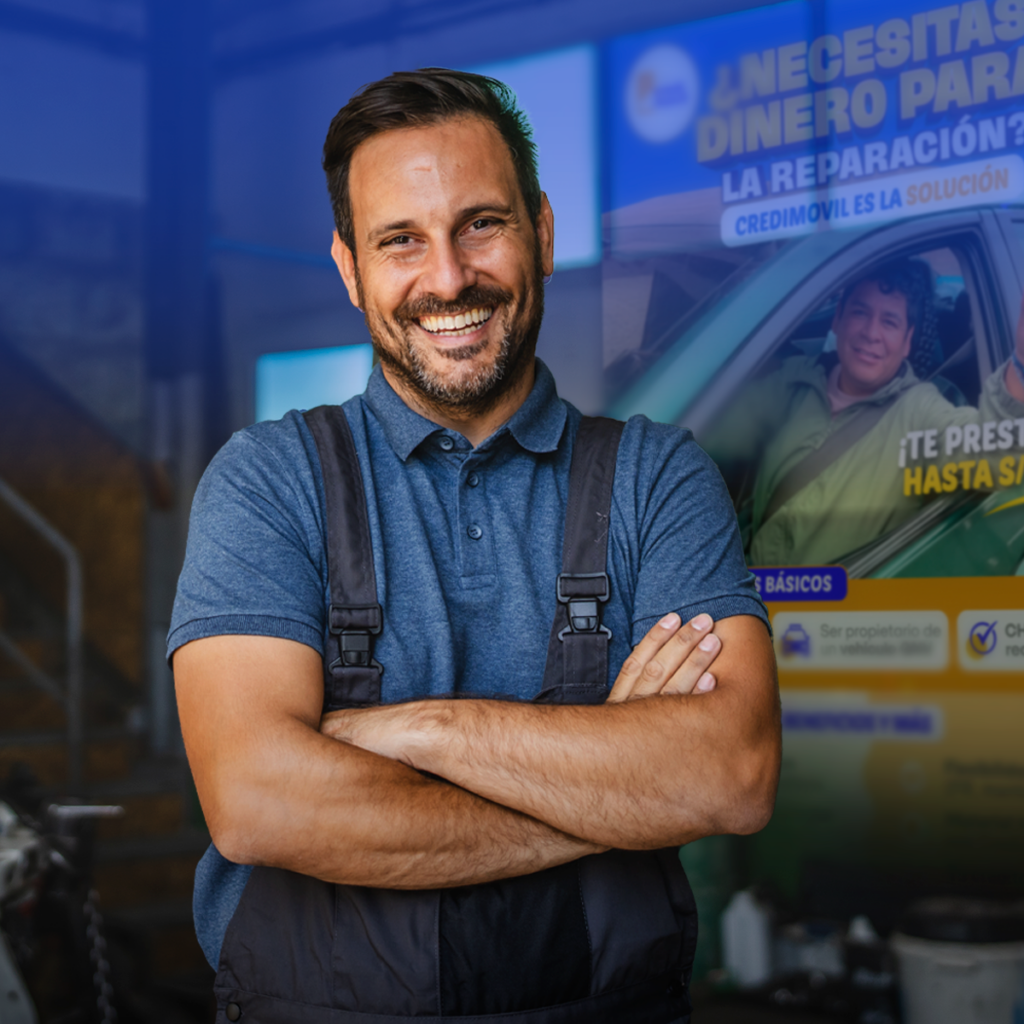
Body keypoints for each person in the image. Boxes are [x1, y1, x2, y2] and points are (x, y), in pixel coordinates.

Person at [170, 69, 780, 1024]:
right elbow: (257, 802)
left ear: (541, 227)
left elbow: (731, 775)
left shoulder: (657, 479)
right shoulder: (266, 482)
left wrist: (424, 731)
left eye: (481, 224)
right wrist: (616, 790)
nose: (449, 279)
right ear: (349, 267)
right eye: (401, 240)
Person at [711, 258, 1024, 567]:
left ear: (907, 341)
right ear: (838, 319)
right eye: (860, 312)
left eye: (889, 322)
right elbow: (711, 434)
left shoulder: (920, 410)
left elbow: (995, 456)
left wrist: (1021, 363)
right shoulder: (793, 380)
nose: (871, 332)